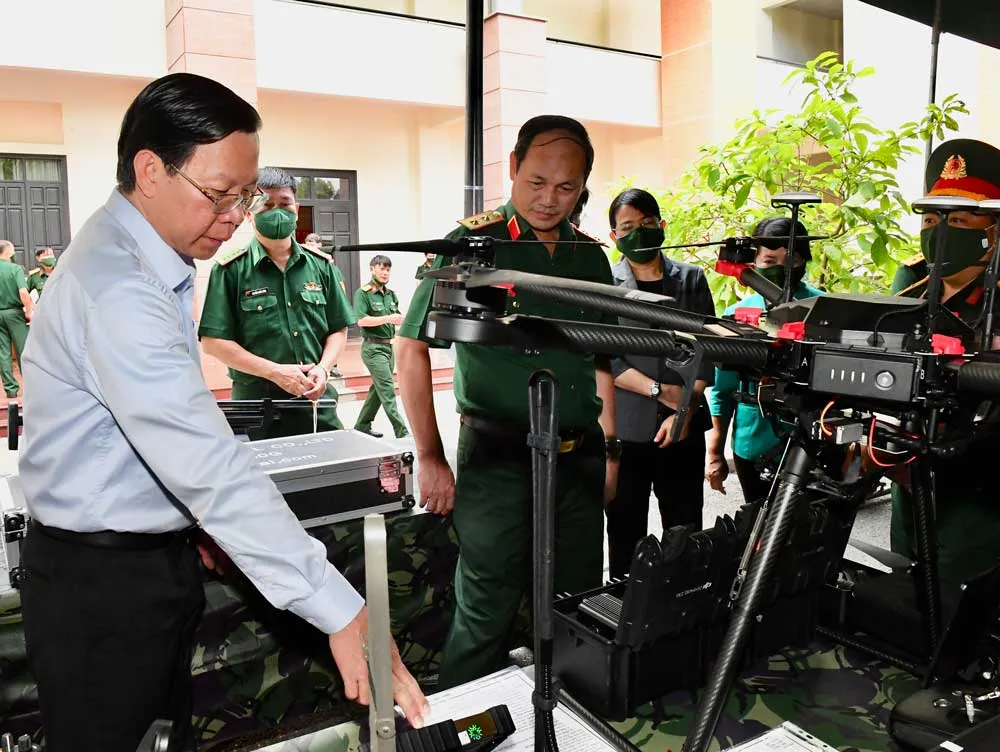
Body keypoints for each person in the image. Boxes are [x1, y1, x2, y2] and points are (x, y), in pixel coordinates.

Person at [17, 73, 427, 752]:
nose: (237, 216)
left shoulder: (144, 256)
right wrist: (342, 611)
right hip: (104, 587)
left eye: (245, 196)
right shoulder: (120, 287)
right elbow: (208, 466)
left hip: (136, 560)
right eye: (219, 196)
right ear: (150, 170)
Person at [396, 115, 619, 689]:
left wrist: (611, 451)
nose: (549, 199)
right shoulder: (472, 245)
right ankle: (457, 719)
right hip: (496, 459)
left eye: (567, 188)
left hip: (577, 459)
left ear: (584, 186)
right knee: (487, 601)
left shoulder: (589, 257)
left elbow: (600, 359)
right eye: (537, 181)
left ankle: (573, 714)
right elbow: (410, 346)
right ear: (514, 167)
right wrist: (430, 455)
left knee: (577, 598)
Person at [889, 138, 1000, 584]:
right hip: (909, 463)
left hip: (980, 478)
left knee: (964, 586)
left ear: (992, 227)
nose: (939, 230)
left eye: (957, 219)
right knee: (905, 575)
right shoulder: (911, 284)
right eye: (932, 218)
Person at [605, 188, 717, 578]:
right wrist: (658, 391)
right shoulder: (604, 283)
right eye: (628, 226)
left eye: (647, 224)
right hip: (627, 430)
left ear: (662, 226)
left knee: (685, 528)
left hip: (684, 427)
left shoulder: (691, 279)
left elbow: (709, 346)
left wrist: (683, 406)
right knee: (624, 528)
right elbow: (605, 356)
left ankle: (684, 608)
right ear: (613, 236)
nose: (639, 232)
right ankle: (622, 606)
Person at [199, 166, 355, 440]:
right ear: (248, 213)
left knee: (329, 477)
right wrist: (275, 373)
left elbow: (338, 329)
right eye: (266, 205)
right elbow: (213, 342)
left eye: (284, 204)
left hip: (316, 403)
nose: (277, 211)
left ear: (296, 209)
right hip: (257, 408)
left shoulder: (321, 266)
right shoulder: (230, 270)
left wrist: (323, 368)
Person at [706, 216, 823, 504]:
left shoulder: (825, 309)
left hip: (811, 441)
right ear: (754, 263)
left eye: (791, 261)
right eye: (770, 262)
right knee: (757, 525)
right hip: (753, 441)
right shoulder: (736, 316)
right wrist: (715, 452)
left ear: (804, 261)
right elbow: (723, 391)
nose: (781, 271)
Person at [353, 255, 409, 439]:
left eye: (388, 269)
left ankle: (362, 425)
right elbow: (361, 320)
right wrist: (388, 318)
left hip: (389, 348)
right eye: (381, 269)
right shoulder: (363, 293)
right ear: (372, 269)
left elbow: (396, 316)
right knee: (387, 389)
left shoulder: (391, 294)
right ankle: (402, 433)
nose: (385, 273)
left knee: (377, 390)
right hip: (373, 349)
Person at [0, 239, 32, 398]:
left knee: (3, 352)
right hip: (14, 313)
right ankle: (31, 386)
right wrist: (29, 311)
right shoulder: (15, 269)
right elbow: (24, 293)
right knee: (23, 350)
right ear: (7, 252)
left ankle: (10, 389)